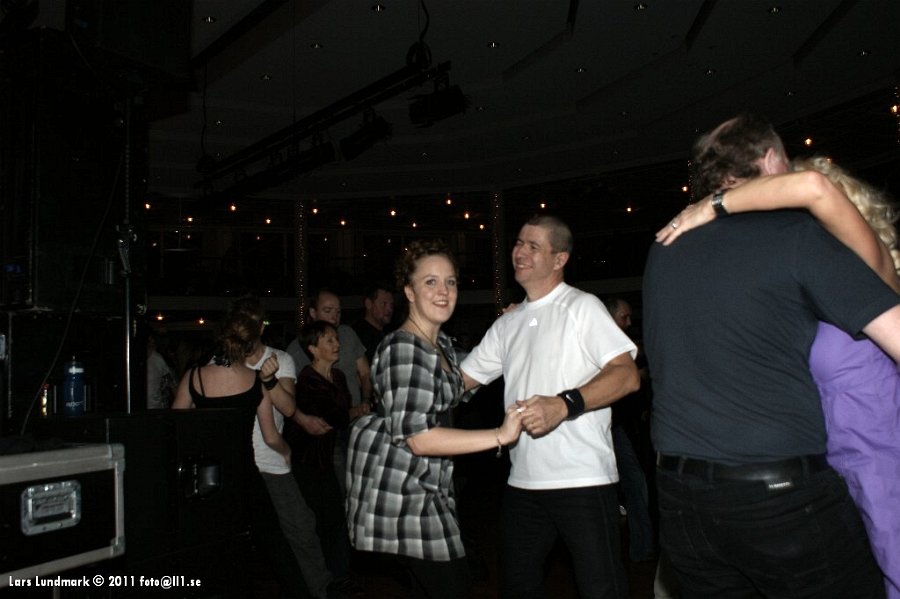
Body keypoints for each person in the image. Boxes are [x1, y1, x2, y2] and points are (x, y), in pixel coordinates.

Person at [643, 113, 900, 598]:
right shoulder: (796, 237)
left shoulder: (664, 249)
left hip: (678, 500)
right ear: (769, 161)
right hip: (776, 501)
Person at [460, 215, 640, 599]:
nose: (519, 252)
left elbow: (627, 376)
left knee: (602, 590)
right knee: (517, 588)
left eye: (533, 246)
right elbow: (459, 381)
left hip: (583, 481)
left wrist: (564, 404)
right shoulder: (508, 323)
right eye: (518, 243)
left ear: (560, 259)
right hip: (522, 483)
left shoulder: (582, 306)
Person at [346, 239, 523, 599]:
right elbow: (419, 437)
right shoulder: (403, 348)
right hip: (408, 496)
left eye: (450, 282)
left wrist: (507, 327)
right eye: (431, 281)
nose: (444, 291)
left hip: (429, 490)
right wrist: (500, 435)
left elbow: (466, 379)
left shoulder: (439, 347)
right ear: (409, 292)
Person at [226, 296, 340, 599]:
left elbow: (289, 408)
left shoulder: (280, 359)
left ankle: (321, 588)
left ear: (261, 326)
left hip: (271, 461)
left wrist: (268, 379)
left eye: (252, 321)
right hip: (234, 463)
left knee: (301, 527)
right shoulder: (221, 362)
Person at [285, 320, 355, 583]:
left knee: (334, 516)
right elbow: (338, 415)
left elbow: (341, 413)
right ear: (313, 349)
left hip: (327, 455)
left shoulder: (338, 376)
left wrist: (348, 413)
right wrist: (353, 412)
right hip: (307, 459)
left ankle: (336, 575)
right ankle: (323, 577)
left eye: (336, 339)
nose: (337, 344)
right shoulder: (307, 379)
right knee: (320, 518)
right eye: (329, 340)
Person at [287, 289, 372, 498]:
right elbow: (291, 397)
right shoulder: (299, 356)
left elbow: (364, 373)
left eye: (338, 311)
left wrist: (366, 401)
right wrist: (301, 418)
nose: (335, 316)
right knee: (339, 487)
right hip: (325, 436)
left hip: (355, 427)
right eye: (328, 310)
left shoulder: (345, 342)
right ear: (313, 312)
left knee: (363, 482)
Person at [603, 297, 656, 563]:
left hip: (621, 427)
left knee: (634, 484)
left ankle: (640, 549)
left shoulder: (623, 347)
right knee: (630, 485)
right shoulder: (601, 345)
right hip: (606, 430)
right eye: (624, 317)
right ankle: (636, 551)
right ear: (611, 317)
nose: (629, 322)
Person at [352, 282, 395, 364]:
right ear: (368, 304)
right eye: (383, 304)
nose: (389, 309)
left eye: (391, 305)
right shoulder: (357, 335)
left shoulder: (390, 333)